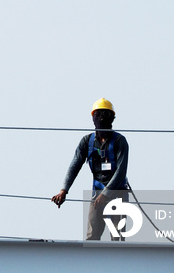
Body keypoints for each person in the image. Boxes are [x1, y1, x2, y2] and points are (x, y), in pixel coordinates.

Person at [51, 98, 129, 240]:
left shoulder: (119, 141)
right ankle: (94, 262)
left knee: (117, 238)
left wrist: (105, 194)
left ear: (112, 118)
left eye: (106, 115)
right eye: (98, 114)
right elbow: (74, 165)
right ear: (93, 117)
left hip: (117, 194)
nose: (101, 118)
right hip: (97, 194)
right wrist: (63, 190)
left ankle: (116, 262)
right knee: (92, 237)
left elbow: (121, 172)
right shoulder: (87, 142)